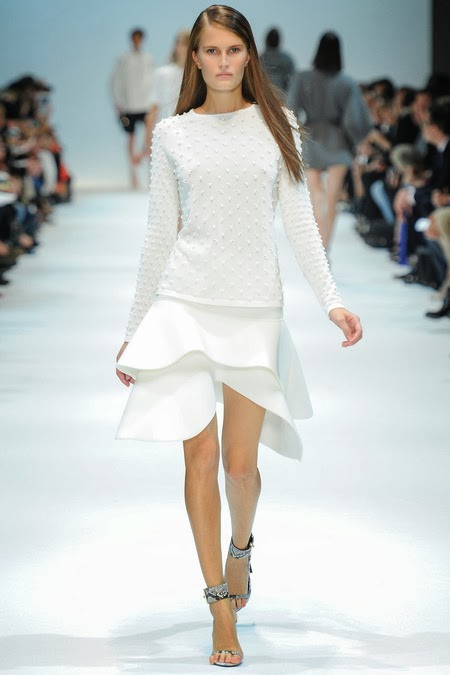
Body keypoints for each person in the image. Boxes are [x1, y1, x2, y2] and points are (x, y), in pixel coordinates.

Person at [115, 5, 362, 668]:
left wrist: (333, 301)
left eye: (232, 50)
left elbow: (300, 222)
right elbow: (159, 233)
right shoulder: (172, 135)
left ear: (248, 54)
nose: (222, 62)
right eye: (211, 51)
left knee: (240, 467)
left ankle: (241, 547)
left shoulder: (278, 127)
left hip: (253, 307)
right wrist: (135, 329)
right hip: (185, 303)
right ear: (194, 59)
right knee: (198, 457)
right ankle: (218, 602)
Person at [289, 32, 372, 248]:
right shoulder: (346, 83)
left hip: (311, 138)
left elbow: (291, 109)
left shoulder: (302, 78)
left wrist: (295, 136)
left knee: (316, 198)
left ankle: (320, 250)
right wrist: (356, 141)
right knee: (332, 198)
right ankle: (325, 249)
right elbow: (354, 120)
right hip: (338, 141)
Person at [111, 28, 155, 187]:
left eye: (139, 38)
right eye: (135, 38)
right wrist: (118, 102)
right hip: (129, 105)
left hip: (145, 104)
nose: (137, 41)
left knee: (148, 138)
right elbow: (116, 81)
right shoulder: (123, 59)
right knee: (131, 138)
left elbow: (152, 81)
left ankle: (151, 174)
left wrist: (153, 101)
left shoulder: (148, 59)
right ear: (131, 39)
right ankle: (133, 174)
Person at [145, 29, 190, 140]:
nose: (184, 47)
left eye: (187, 43)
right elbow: (154, 107)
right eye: (181, 43)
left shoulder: (199, 77)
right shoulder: (162, 74)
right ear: (176, 46)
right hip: (164, 135)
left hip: (189, 135)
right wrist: (148, 139)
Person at [260, 27, 295, 94]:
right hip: (266, 94)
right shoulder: (286, 59)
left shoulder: (259, 58)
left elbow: (293, 78)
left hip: (277, 95)